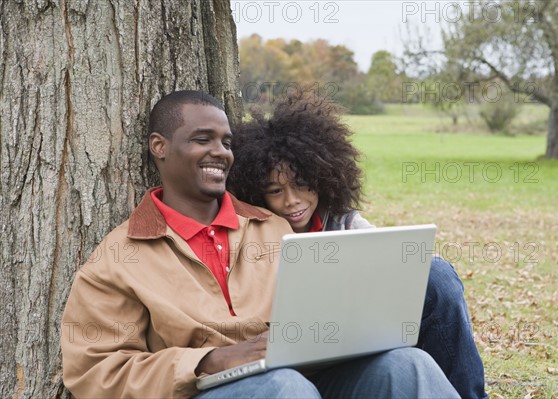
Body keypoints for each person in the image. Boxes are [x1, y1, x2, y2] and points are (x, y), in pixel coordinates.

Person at [60, 90, 460, 399]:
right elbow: (95, 372)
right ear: (159, 146)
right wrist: (208, 361)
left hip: (303, 380)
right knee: (284, 388)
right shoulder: (117, 258)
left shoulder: (274, 229)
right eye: (203, 139)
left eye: (226, 142)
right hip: (209, 391)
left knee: (409, 365)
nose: (220, 152)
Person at [227, 91, 488, 399]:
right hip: (287, 367)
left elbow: (386, 263)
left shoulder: (342, 221)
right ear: (258, 193)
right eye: (275, 190)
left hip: (356, 351)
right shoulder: (253, 233)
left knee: (436, 273)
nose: (291, 200)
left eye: (301, 184)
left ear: (322, 177)